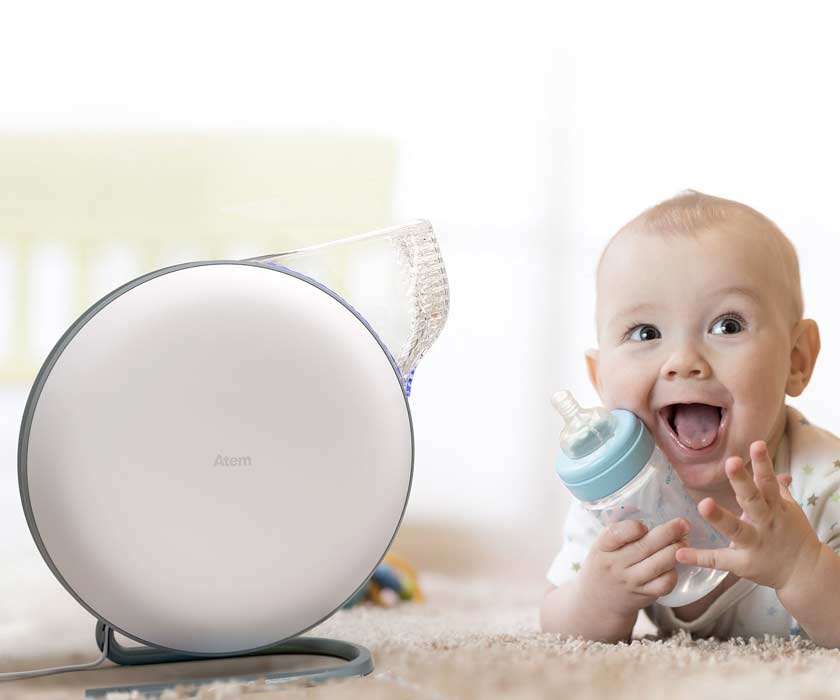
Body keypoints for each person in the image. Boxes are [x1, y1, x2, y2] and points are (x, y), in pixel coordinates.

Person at [540, 190, 840, 646]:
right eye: (645, 333)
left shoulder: (823, 482)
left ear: (796, 358)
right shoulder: (620, 499)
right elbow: (556, 622)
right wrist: (598, 598)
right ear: (600, 379)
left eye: (728, 325)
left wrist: (803, 567)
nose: (683, 360)